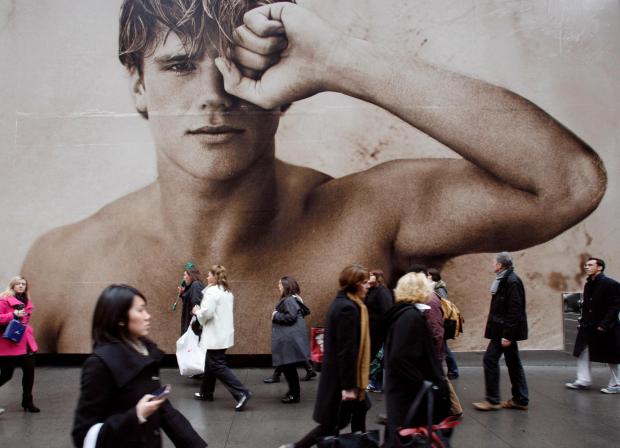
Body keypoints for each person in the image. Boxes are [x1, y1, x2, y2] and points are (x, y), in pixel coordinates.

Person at [22, 0, 606, 356]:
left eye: (240, 67)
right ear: (138, 83)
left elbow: (569, 183)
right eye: (178, 66)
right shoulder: (64, 263)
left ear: (283, 81)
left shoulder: (366, 213)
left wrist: (339, 61)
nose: (211, 96)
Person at [330, 272, 468, 448]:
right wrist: (432, 388)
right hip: (412, 410)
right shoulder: (409, 318)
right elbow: (403, 362)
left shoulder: (406, 316)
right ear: (420, 290)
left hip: (410, 407)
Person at [72, 284, 209, 448]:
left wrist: (190, 440)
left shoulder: (142, 352)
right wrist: (135, 416)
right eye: (140, 310)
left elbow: (160, 405)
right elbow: (82, 434)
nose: (148, 316)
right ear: (120, 319)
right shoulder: (100, 364)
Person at [278, 265, 371, 448]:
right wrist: (348, 386)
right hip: (344, 381)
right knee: (334, 423)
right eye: (365, 283)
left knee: (357, 413)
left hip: (345, 378)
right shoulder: (348, 308)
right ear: (356, 284)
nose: (369, 286)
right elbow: (346, 351)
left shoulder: (345, 303)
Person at [473, 252, 529, 411]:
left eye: (494, 263)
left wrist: (507, 335)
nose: (492, 265)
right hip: (502, 329)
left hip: (503, 331)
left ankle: (493, 400)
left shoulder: (511, 281)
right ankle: (520, 399)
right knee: (513, 362)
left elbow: (515, 310)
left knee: (490, 359)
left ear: (500, 265)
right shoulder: (504, 280)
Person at [192, 265, 252, 410]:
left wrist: (197, 311)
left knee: (217, 365)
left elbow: (207, 313)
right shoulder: (227, 292)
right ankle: (206, 392)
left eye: (208, 275)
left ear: (214, 277)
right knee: (210, 362)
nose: (206, 277)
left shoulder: (212, 292)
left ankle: (242, 393)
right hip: (223, 334)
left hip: (215, 335)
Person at [565, 257, 620, 394]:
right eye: (586, 265)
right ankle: (583, 380)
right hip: (588, 325)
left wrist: (605, 324)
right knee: (583, 351)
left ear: (600, 267)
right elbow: (588, 305)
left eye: (590, 265)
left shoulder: (610, 284)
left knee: (611, 356)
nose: (586, 267)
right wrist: (582, 322)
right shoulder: (589, 284)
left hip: (606, 326)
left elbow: (615, 306)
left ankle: (617, 383)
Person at [0, 276, 40, 413]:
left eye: (24, 284)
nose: (21, 286)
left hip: (26, 342)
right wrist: (13, 314)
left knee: (29, 373)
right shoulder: (4, 300)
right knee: (6, 375)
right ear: (12, 286)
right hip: (10, 343)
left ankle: (27, 401)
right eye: (18, 284)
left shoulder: (26, 301)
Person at [271, 276, 311, 403]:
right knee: (289, 368)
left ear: (286, 286)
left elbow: (291, 316)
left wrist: (275, 315)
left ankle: (294, 395)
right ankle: (293, 392)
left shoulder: (288, 300)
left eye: (280, 284)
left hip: (289, 340)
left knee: (289, 369)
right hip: (291, 339)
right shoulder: (292, 299)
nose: (278, 286)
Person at [365, 269, 393, 392]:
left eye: (371, 275)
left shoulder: (382, 291)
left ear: (377, 277)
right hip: (372, 330)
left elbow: (387, 311)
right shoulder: (372, 290)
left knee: (378, 358)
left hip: (379, 331)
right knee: (375, 357)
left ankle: (377, 384)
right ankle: (375, 382)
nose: (369, 277)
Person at [429, 267, 460, 379]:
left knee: (444, 348)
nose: (426, 277)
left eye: (428, 275)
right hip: (439, 320)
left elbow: (443, 302)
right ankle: (452, 370)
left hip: (442, 321)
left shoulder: (439, 288)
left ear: (432, 276)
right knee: (444, 347)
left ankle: (453, 370)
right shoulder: (434, 287)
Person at [177, 264, 205, 336]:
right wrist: (183, 293)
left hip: (193, 328)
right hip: (190, 326)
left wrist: (193, 326)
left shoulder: (196, 285)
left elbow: (197, 305)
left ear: (190, 275)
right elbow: (189, 303)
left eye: (185, 275)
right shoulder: (192, 286)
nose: (183, 278)